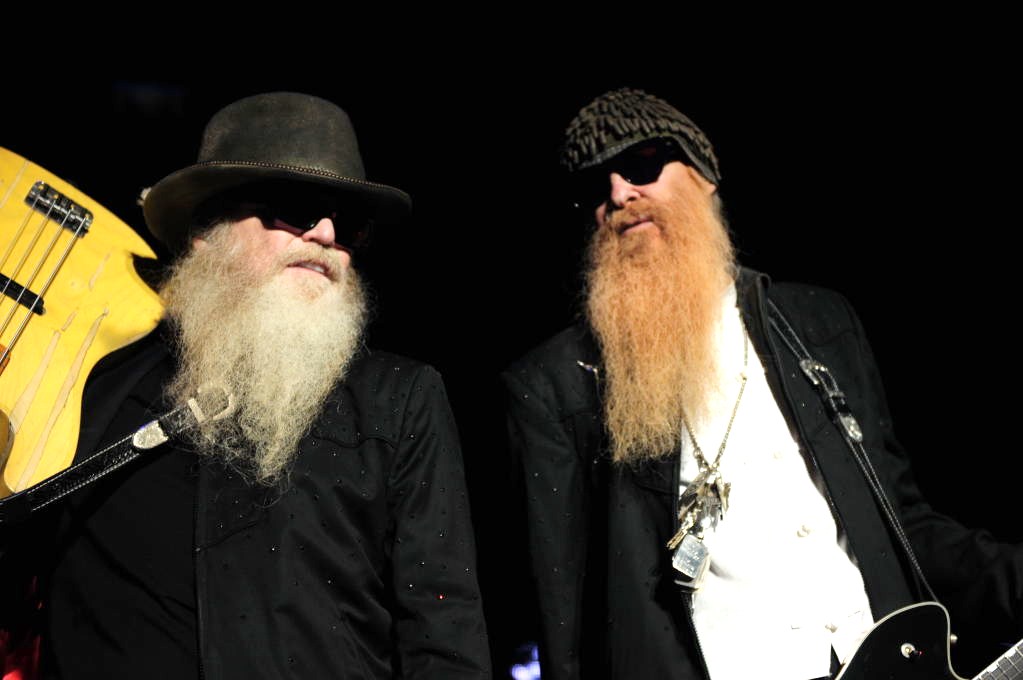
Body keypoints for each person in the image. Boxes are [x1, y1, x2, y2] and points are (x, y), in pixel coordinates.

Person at [501, 87, 1023, 680]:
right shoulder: (556, 386)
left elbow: (902, 526)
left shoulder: (818, 323)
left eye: (642, 164)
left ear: (704, 176)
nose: (620, 194)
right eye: (596, 187)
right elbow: (564, 620)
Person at [0, 92, 490, 679]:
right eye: (296, 208)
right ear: (208, 231)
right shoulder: (98, 380)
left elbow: (444, 633)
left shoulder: (399, 398)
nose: (327, 232)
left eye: (349, 224)